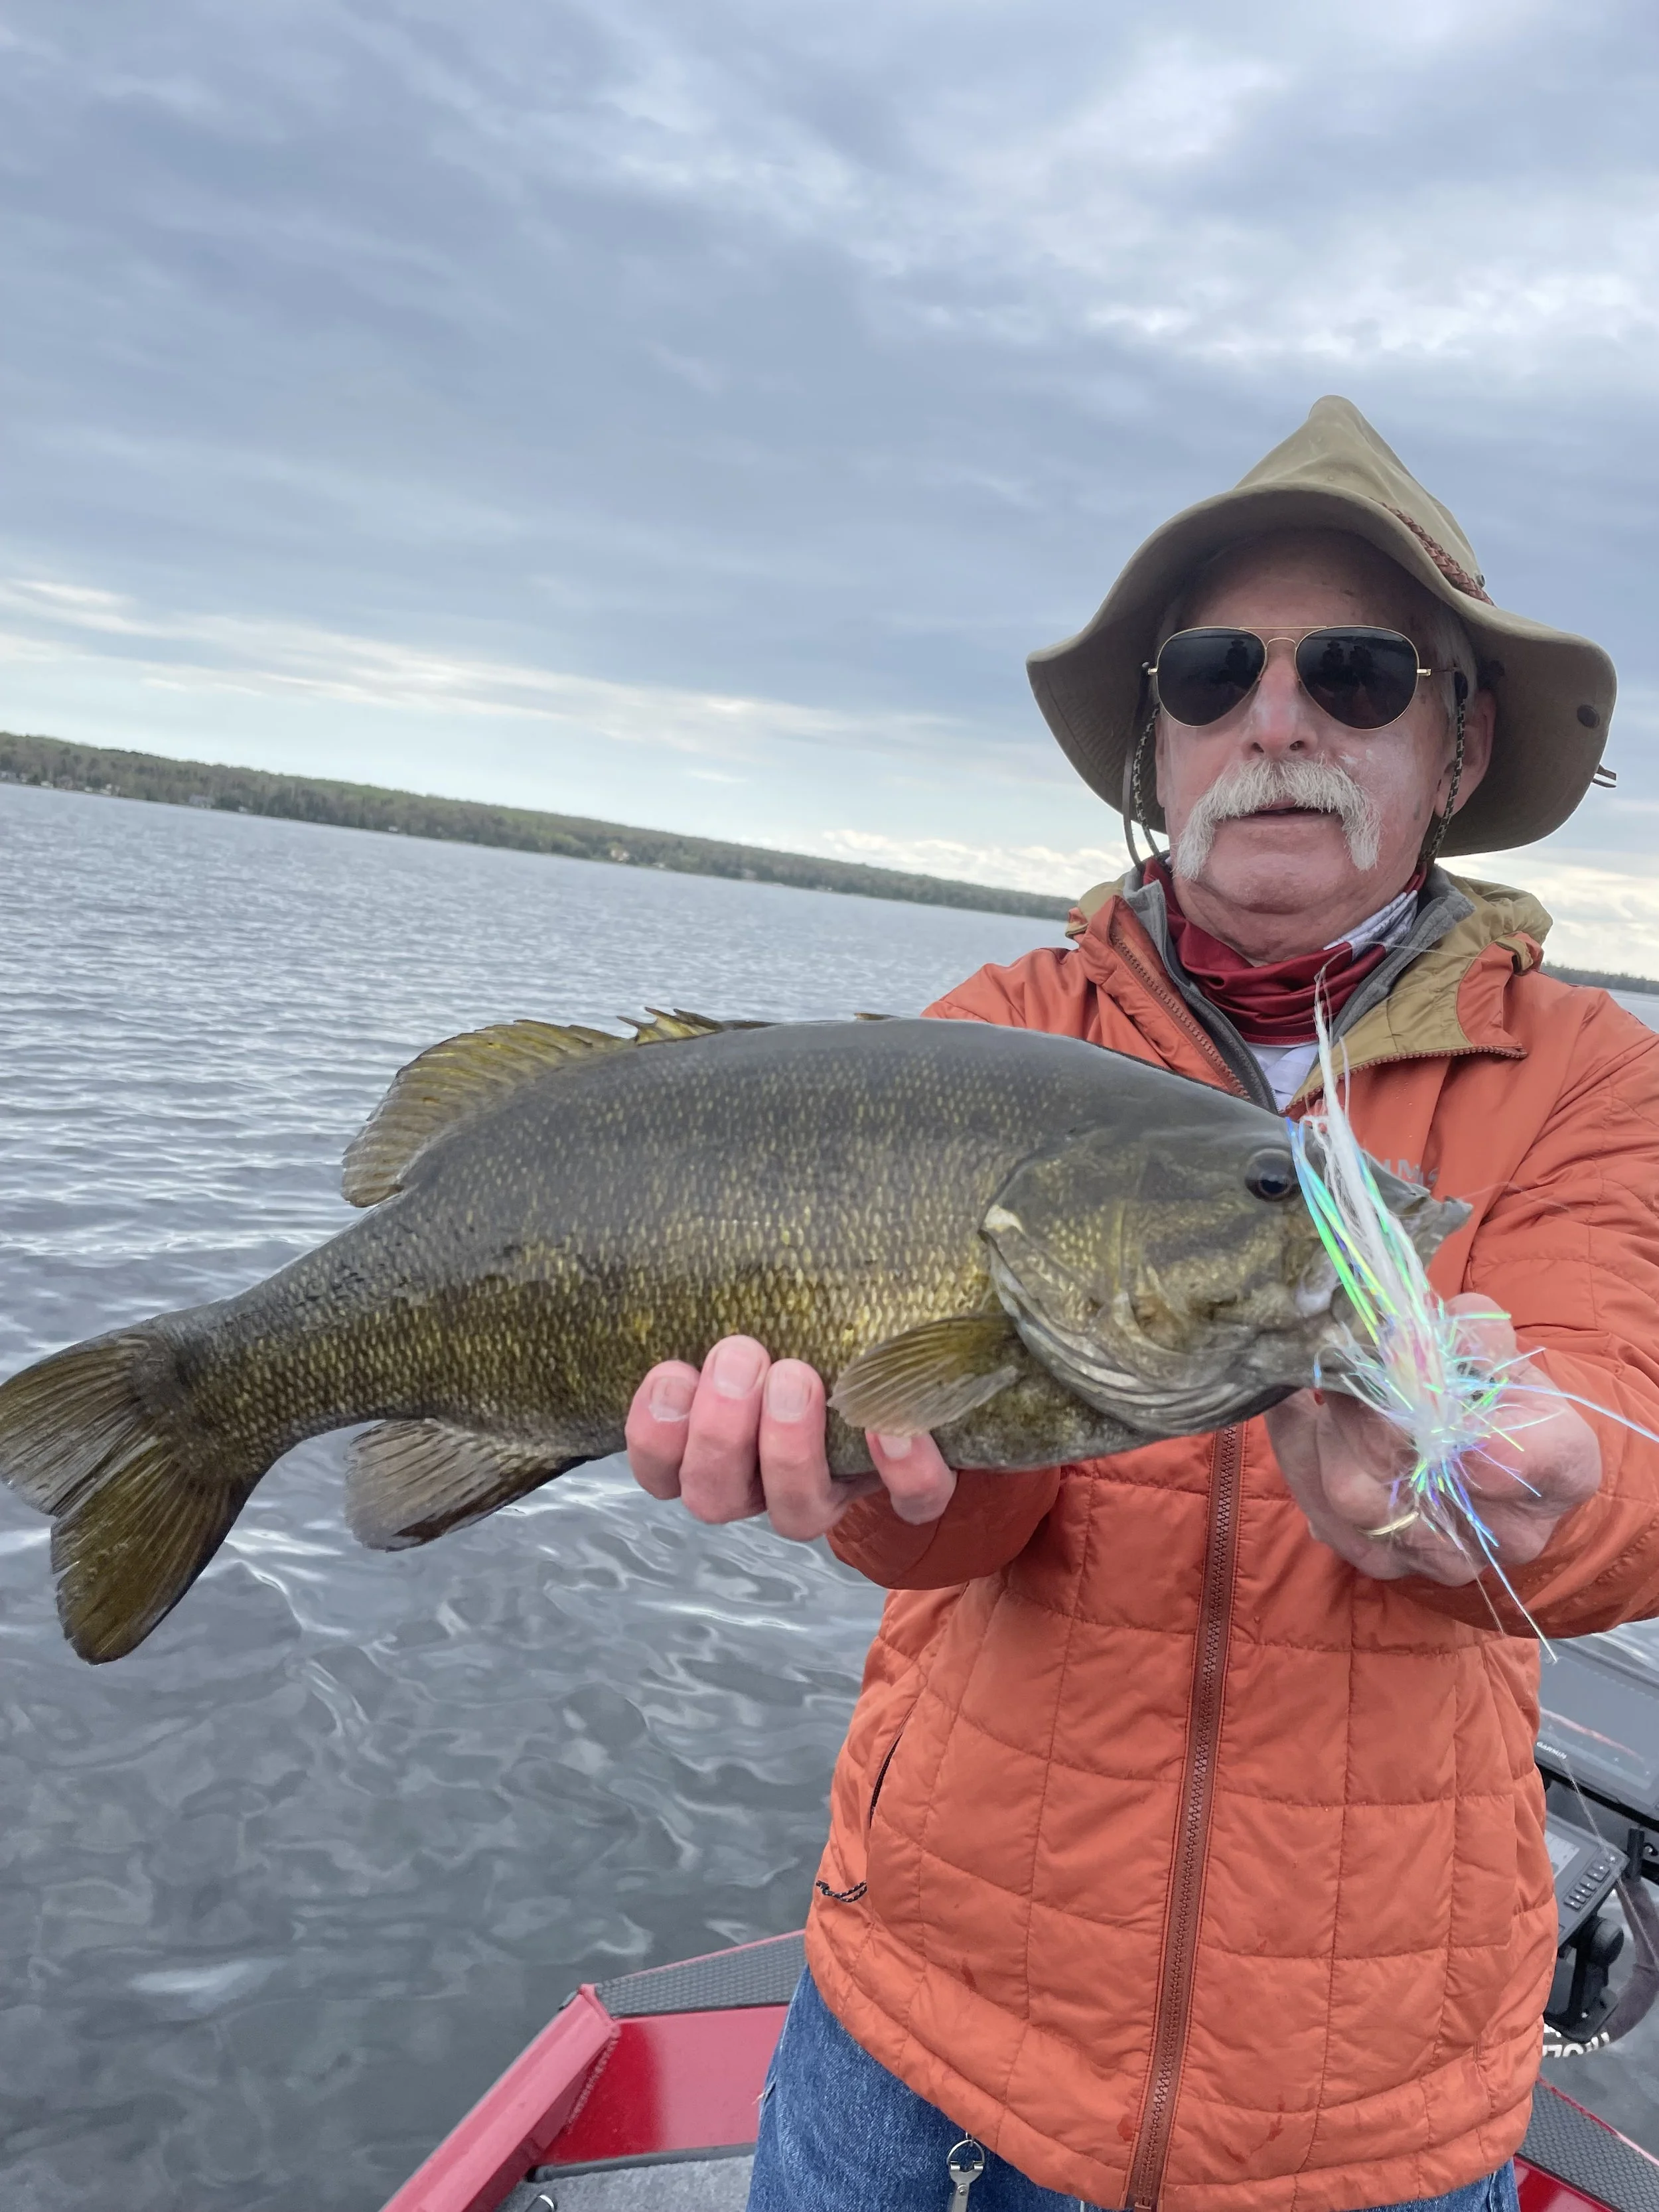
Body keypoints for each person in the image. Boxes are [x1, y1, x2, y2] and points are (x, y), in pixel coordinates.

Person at [626, 398, 1659, 2212]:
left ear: (1453, 734)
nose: (1275, 718)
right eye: (1208, 673)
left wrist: (1534, 1487)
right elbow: (964, 1521)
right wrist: (879, 1479)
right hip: (922, 2037)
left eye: (1351, 671)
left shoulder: (1583, 1076)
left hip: (1360, 2120)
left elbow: (1623, 1423)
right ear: (1156, 744)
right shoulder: (1000, 1033)